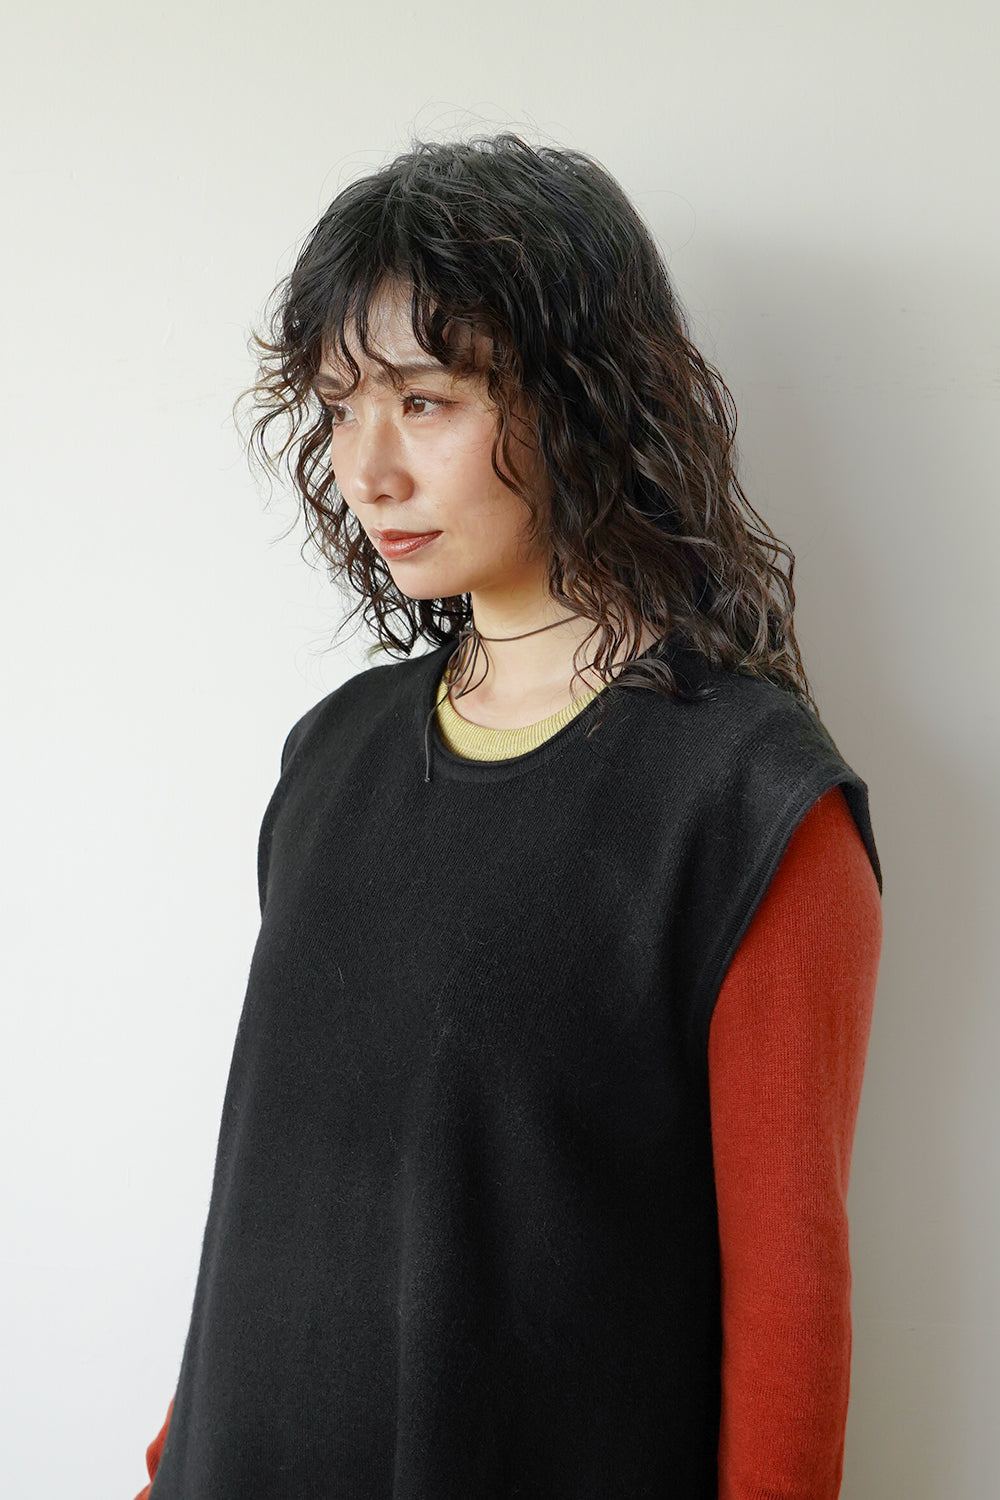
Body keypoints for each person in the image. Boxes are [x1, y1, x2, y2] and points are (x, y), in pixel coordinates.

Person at [133, 133, 882, 1500]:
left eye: (424, 401)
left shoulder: (748, 803)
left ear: (585, 398)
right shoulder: (333, 755)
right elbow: (271, 1203)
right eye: (338, 407)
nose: (367, 471)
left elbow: (790, 1322)